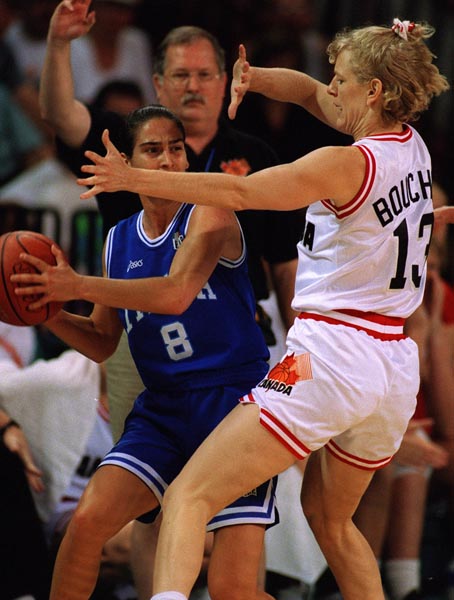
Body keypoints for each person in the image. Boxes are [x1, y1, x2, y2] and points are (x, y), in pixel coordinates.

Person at [65, 17, 450, 600]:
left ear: (372, 90)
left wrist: (133, 176)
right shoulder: (414, 148)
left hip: (329, 357)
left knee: (191, 494)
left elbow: (242, 193)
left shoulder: (344, 163)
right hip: (391, 366)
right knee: (331, 520)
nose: (330, 88)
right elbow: (304, 92)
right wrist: (259, 79)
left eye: (340, 79)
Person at [12, 104, 277, 600]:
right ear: (128, 162)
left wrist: (76, 283)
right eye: (152, 150)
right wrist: (48, 310)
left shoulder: (212, 211)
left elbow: (175, 294)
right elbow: (101, 341)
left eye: (175, 148)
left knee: (233, 589)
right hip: (163, 410)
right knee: (87, 522)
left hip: (234, 408)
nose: (168, 160)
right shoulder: (117, 240)